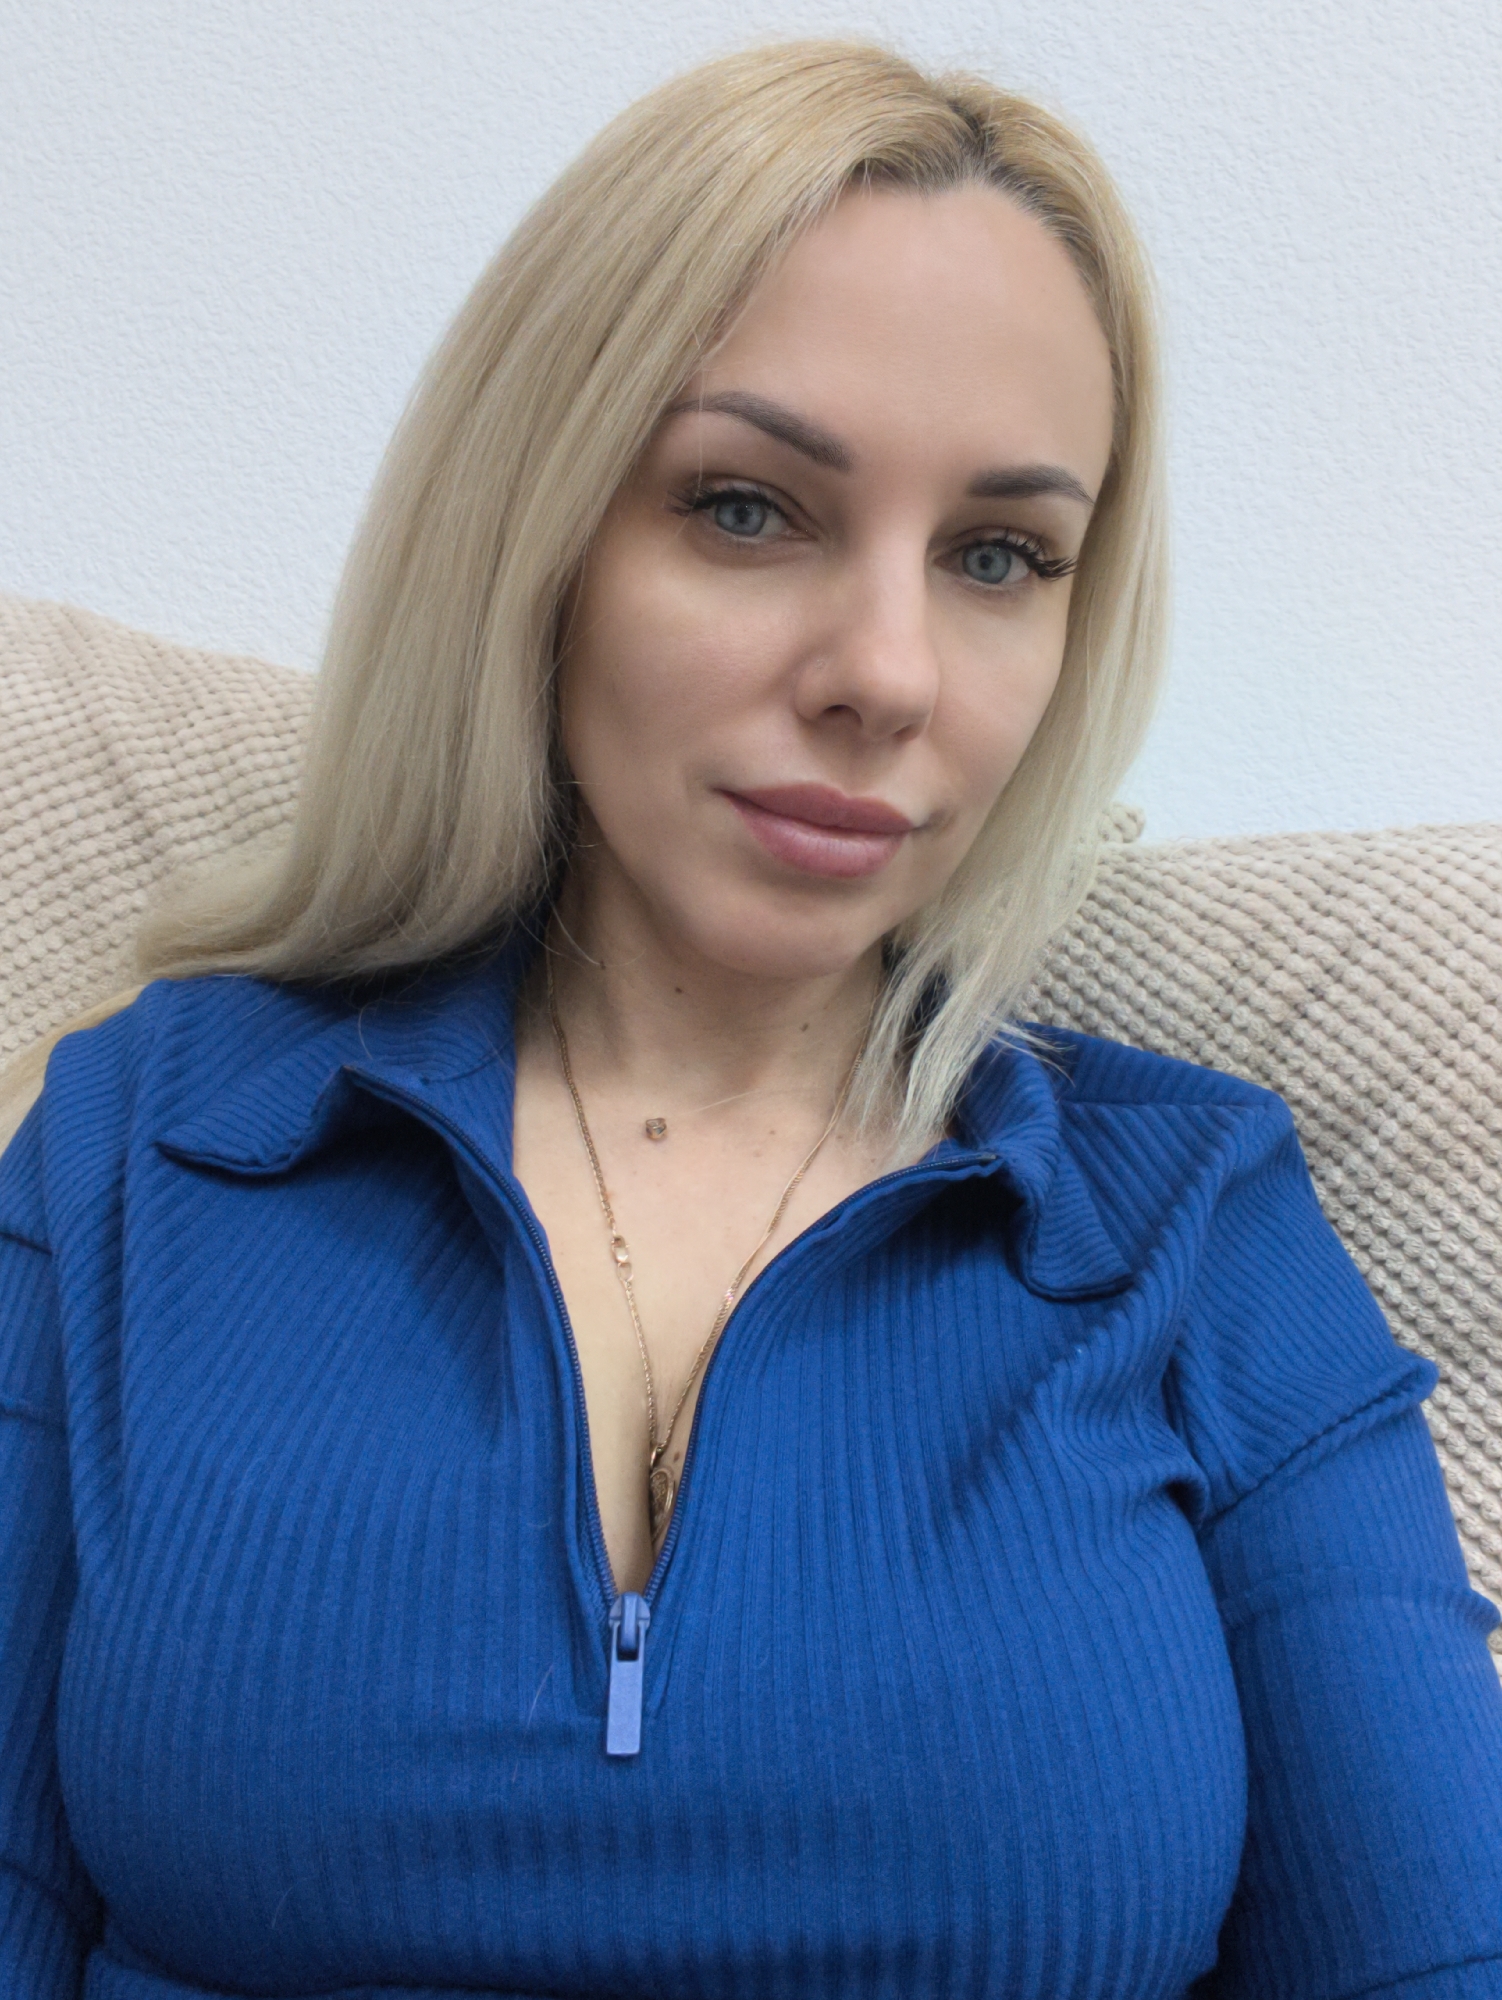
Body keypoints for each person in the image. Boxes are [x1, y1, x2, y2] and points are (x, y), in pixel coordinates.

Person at [2, 38, 1500, 2000]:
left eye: (997, 556)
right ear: (530, 540)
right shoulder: (142, 1153)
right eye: (743, 508)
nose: (888, 672)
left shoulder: (1191, 1225)